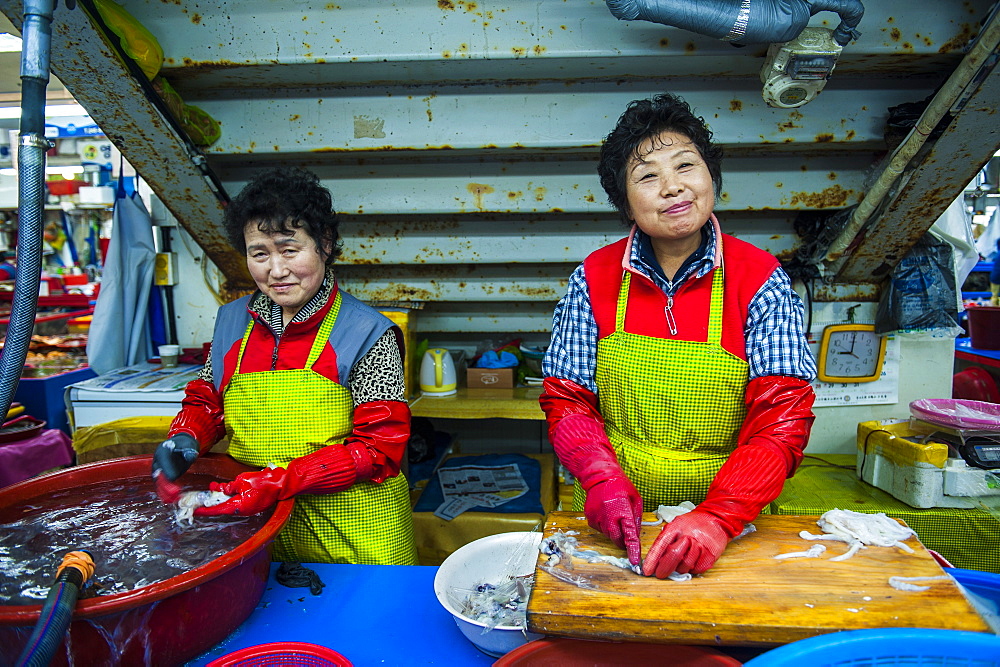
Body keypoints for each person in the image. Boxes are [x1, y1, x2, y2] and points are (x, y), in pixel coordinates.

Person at [540, 93, 817, 579]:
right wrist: (601, 479)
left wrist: (718, 517)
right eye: (647, 176)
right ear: (625, 203)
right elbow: (568, 401)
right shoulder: (594, 276)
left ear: (711, 177)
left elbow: (781, 419)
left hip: (731, 521)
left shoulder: (760, 278)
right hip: (617, 515)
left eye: (685, 166)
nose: (672, 187)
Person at [151, 167, 417, 565]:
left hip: (356, 533)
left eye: (289, 249)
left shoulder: (366, 332)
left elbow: (378, 449)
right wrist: (186, 436)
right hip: (260, 526)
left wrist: (279, 482)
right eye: (259, 254)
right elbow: (209, 399)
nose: (275, 271)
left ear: (324, 245)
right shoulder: (231, 321)